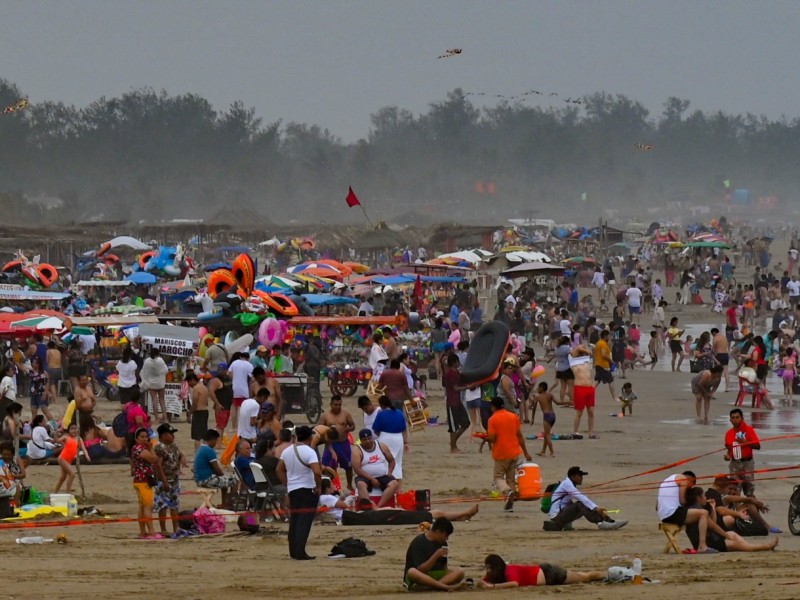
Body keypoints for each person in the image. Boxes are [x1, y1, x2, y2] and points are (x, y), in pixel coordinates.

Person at [683, 487, 778, 553]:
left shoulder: (696, 509)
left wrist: (712, 508)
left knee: (732, 534)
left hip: (707, 539)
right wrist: (726, 535)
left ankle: (749, 544)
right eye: (703, 496)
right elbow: (713, 526)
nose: (705, 498)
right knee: (735, 542)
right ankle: (767, 546)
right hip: (708, 542)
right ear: (698, 498)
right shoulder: (699, 511)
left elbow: (713, 522)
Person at [277, 425, 322, 560]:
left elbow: (279, 469)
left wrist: (287, 483)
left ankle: (293, 550)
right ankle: (300, 551)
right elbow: (317, 471)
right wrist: (318, 486)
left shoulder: (287, 451)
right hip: (307, 489)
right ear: (309, 437)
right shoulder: (309, 452)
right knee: (304, 521)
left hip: (293, 489)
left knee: (295, 520)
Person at [485, 396, 532, 512]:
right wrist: (526, 453)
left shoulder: (493, 419)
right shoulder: (513, 416)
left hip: (501, 453)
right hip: (514, 452)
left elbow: (492, 437)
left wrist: (484, 437)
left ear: (493, 407)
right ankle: (509, 505)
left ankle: (507, 491)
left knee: (498, 477)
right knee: (510, 479)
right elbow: (519, 435)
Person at [545, 466, 627, 531]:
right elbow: (580, 497)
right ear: (573, 476)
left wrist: (595, 509)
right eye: (580, 476)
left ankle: (609, 521)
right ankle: (601, 523)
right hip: (557, 517)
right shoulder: (567, 484)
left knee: (584, 504)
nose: (582, 478)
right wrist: (596, 508)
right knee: (580, 503)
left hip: (562, 515)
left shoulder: (570, 484)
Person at [657, 471, 716, 553]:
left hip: (663, 516)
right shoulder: (683, 479)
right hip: (672, 514)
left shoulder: (666, 481)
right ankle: (702, 546)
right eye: (691, 484)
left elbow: (657, 506)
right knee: (703, 513)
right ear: (690, 479)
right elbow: (682, 501)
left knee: (696, 513)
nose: (690, 488)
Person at [403, 517, 465, 591]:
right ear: (438, 532)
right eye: (446, 535)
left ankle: (432, 587)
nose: (447, 539)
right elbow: (421, 569)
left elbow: (443, 568)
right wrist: (435, 556)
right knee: (412, 571)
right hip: (419, 577)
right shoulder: (419, 542)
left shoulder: (443, 543)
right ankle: (445, 587)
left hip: (434, 576)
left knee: (460, 572)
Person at [478, 553, 605, 588]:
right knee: (581, 576)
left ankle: (605, 574)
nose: (488, 571)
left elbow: (514, 583)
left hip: (550, 573)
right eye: (487, 568)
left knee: (585, 578)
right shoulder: (493, 576)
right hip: (546, 580)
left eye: (490, 568)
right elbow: (481, 582)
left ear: (497, 567)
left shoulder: (509, 571)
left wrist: (493, 587)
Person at [351, 427, 399, 509]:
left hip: (382, 476)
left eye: (369, 438)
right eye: (365, 439)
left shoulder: (381, 446)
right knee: (360, 484)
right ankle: (367, 506)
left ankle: (378, 506)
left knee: (394, 484)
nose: (368, 441)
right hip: (364, 477)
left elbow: (391, 460)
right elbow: (357, 469)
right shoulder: (356, 450)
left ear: (372, 438)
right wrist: (371, 479)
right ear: (361, 440)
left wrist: (390, 472)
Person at [154, 423, 186, 536]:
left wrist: (182, 458)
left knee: (174, 505)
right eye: (170, 434)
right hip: (164, 480)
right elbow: (158, 465)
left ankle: (176, 528)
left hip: (175, 480)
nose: (172, 436)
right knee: (163, 505)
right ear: (163, 435)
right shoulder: (159, 448)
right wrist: (164, 481)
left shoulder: (173, 446)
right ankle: (163, 529)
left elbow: (180, 454)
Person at [318, 394, 356, 490]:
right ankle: (329, 486)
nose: (338, 406)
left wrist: (346, 429)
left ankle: (349, 485)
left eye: (339, 404)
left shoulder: (346, 414)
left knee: (348, 466)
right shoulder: (325, 416)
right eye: (335, 404)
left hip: (344, 444)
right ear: (331, 404)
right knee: (327, 467)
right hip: (330, 444)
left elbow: (353, 426)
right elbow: (319, 430)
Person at [194, 429, 237, 507]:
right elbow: (217, 469)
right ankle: (229, 503)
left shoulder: (201, 448)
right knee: (234, 481)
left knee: (225, 481)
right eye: (216, 440)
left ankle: (224, 503)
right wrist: (224, 476)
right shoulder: (209, 450)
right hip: (206, 480)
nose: (216, 443)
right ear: (212, 439)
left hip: (199, 479)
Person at [130, 427, 160, 539]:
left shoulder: (137, 448)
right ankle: (151, 531)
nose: (144, 439)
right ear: (136, 438)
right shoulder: (139, 448)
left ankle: (143, 531)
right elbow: (153, 459)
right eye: (141, 437)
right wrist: (151, 448)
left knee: (142, 507)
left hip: (141, 480)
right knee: (148, 506)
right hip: (143, 481)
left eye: (146, 436)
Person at [724, 408, 760, 496]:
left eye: (737, 417)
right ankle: (735, 509)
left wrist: (745, 442)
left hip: (747, 463)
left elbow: (758, 446)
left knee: (749, 492)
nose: (735, 420)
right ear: (730, 420)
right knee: (734, 491)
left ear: (742, 418)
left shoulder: (749, 430)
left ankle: (751, 508)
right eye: (733, 418)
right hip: (734, 464)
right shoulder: (729, 433)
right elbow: (729, 450)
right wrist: (727, 457)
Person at [372, 395, 408, 481]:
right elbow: (404, 429)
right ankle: (398, 487)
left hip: (385, 438)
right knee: (398, 463)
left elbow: (376, 430)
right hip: (399, 438)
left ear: (382, 405)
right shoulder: (399, 413)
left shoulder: (381, 414)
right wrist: (406, 442)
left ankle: (387, 481)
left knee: (385, 461)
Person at [443, 354, 470, 453]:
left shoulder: (456, 372)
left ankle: (453, 442)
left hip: (457, 401)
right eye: (457, 361)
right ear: (454, 362)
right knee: (453, 426)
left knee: (465, 423)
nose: (458, 363)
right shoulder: (450, 373)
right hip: (451, 402)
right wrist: (468, 387)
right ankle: (453, 447)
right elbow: (455, 387)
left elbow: (460, 383)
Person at [569, 346, 596, 439]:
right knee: (579, 412)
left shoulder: (586, 361)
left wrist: (583, 349)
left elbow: (590, 352)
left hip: (589, 388)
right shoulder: (573, 363)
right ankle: (575, 431)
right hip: (580, 388)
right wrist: (581, 348)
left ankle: (591, 432)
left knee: (591, 411)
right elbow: (574, 351)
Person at [54, 422, 89, 493]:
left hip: (68, 460)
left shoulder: (79, 439)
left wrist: (87, 455)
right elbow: (57, 441)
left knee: (63, 477)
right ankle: (68, 492)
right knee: (72, 474)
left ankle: (55, 492)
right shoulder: (66, 437)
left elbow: (83, 448)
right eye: (72, 429)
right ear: (68, 430)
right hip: (62, 458)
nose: (74, 430)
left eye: (75, 429)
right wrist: (55, 434)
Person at [141, 348, 169, 424]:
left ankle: (157, 419)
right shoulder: (160, 360)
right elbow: (166, 370)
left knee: (154, 400)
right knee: (162, 400)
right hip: (160, 382)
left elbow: (144, 372)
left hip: (151, 383)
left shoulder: (147, 361)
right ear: (158, 353)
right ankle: (165, 418)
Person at [186, 371, 211, 450]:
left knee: (197, 436)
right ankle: (204, 451)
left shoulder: (196, 388)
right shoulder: (204, 387)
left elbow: (195, 403)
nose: (189, 384)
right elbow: (206, 402)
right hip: (205, 411)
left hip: (199, 412)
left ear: (192, 380)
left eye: (189, 382)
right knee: (204, 434)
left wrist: (189, 414)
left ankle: (197, 453)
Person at [532, 382, 558, 457]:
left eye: (538, 387)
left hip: (546, 416)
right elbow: (558, 402)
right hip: (553, 415)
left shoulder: (538, 397)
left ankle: (552, 452)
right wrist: (568, 402)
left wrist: (532, 418)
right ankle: (543, 451)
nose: (537, 389)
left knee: (547, 435)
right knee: (547, 433)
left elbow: (533, 408)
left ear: (541, 388)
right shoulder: (550, 394)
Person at [207, 363, 233, 440]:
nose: (221, 371)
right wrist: (217, 403)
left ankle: (219, 443)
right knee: (220, 426)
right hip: (221, 406)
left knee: (223, 426)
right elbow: (211, 391)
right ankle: (217, 444)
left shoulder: (227, 378)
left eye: (223, 370)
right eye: (220, 370)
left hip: (227, 406)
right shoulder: (216, 380)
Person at [229, 351, 254, 432]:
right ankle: (243, 426)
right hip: (244, 389)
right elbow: (252, 378)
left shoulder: (234, 363)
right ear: (248, 358)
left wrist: (234, 379)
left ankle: (233, 427)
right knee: (244, 408)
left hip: (235, 388)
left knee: (234, 407)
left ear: (240, 357)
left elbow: (228, 373)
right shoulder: (249, 365)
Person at [28, 356, 53, 422]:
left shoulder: (43, 373)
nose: (32, 364)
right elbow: (22, 367)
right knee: (34, 412)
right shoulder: (31, 372)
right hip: (33, 394)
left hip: (41, 394)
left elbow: (47, 382)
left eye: (34, 363)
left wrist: (46, 392)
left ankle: (54, 425)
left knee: (45, 410)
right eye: (32, 362)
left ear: (38, 364)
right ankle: (32, 425)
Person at [0, 441, 26, 505]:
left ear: (12, 454)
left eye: (8, 455)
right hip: (3, 483)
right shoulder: (1, 461)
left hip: (15, 482)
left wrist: (11, 476)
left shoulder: (16, 460)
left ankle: (16, 505)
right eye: (4, 455)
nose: (6, 456)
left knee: (17, 486)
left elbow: (23, 474)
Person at [593, 330, 615, 402]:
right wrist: (610, 361)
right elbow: (603, 355)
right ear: (605, 336)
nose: (609, 337)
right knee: (610, 381)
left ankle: (588, 394)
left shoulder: (598, 343)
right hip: (603, 365)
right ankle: (614, 397)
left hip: (598, 364)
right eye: (608, 336)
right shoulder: (603, 344)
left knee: (597, 381)